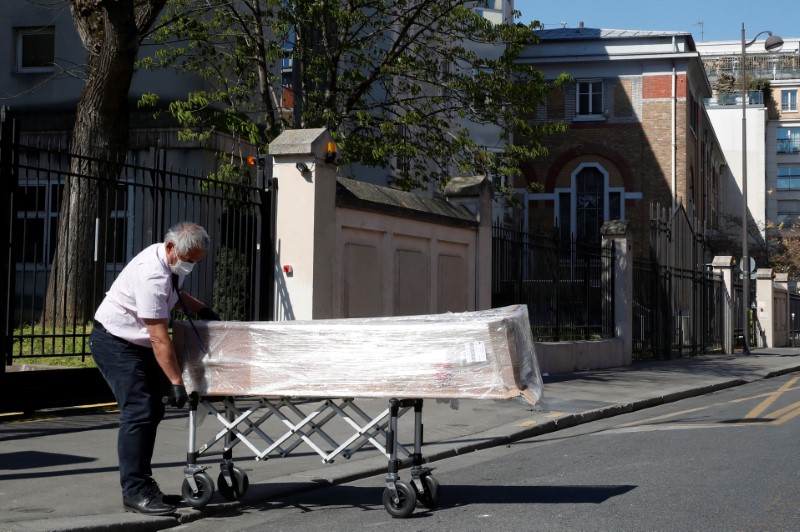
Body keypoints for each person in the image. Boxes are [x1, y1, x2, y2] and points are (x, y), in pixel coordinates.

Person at [90, 221, 220, 515]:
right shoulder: (152, 275)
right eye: (189, 260)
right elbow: (159, 337)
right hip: (116, 342)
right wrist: (176, 382)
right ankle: (135, 492)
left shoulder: (168, 262)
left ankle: (144, 485)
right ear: (172, 247)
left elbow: (173, 295)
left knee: (153, 410)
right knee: (139, 410)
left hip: (135, 343)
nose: (191, 266)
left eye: (197, 261)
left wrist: (202, 309)